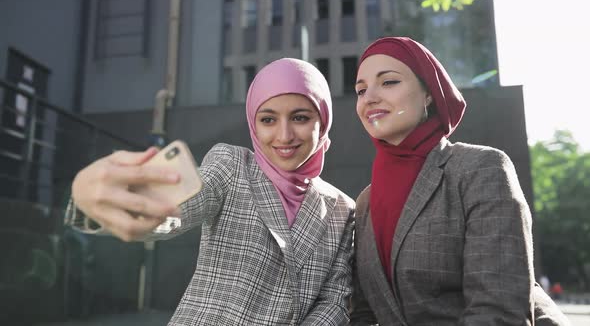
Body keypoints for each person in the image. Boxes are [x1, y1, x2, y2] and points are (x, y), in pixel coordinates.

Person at [65, 58, 355, 325]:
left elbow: (335, 300)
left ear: (323, 120)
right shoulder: (230, 165)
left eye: (300, 118)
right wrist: (104, 202)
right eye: (268, 119)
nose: (284, 135)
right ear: (254, 123)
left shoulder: (343, 209)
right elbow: (179, 209)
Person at [348, 37, 568, 325]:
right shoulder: (365, 202)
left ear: (429, 93)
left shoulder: (480, 169)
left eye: (388, 82)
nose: (369, 97)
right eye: (361, 89)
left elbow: (498, 312)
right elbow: (364, 314)